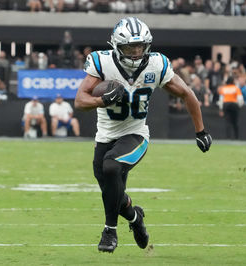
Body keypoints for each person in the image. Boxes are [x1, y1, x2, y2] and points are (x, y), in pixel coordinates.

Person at [75, 17, 212, 253]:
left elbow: (187, 94)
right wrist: (101, 100)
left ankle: (110, 231)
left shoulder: (156, 65)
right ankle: (135, 217)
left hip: (135, 134)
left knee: (111, 167)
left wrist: (201, 130)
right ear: (117, 47)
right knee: (113, 194)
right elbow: (80, 101)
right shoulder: (102, 62)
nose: (136, 52)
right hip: (105, 136)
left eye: (140, 46)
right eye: (130, 47)